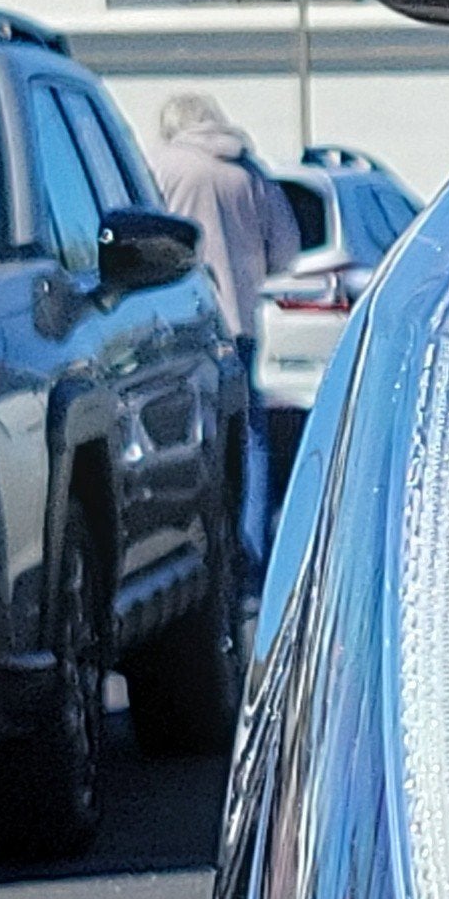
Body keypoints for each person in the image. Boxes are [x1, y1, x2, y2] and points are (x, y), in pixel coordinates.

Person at [147, 93, 294, 554]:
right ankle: (251, 550)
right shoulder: (249, 172)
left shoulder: (162, 169)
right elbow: (286, 250)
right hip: (240, 325)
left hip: (181, 325)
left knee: (183, 440)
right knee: (250, 438)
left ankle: (190, 547)